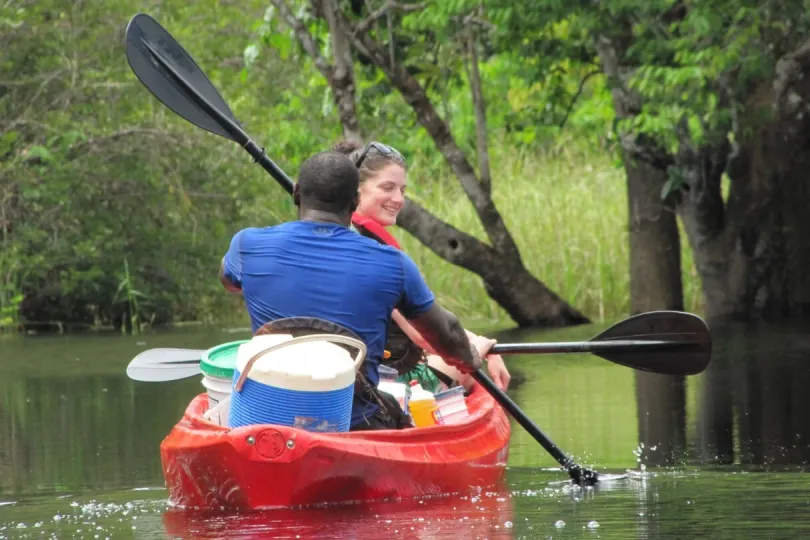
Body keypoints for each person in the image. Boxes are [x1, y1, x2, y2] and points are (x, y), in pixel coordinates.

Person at [219, 150, 490, 431]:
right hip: (354, 423)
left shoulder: (246, 244)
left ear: (297, 193)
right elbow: (446, 332)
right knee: (393, 408)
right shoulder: (393, 264)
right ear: (356, 202)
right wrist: (470, 358)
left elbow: (229, 281)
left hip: (264, 419)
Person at [333, 140, 512, 392]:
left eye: (402, 190)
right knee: (466, 369)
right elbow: (425, 337)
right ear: (355, 192)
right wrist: (481, 350)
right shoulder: (377, 254)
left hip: (342, 377)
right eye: (388, 187)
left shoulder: (328, 237)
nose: (398, 199)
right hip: (380, 385)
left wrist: (477, 342)